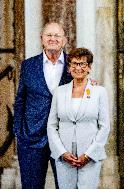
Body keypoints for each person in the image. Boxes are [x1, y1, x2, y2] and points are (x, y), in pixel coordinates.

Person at [13, 22, 72, 188]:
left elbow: (83, 93)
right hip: (31, 138)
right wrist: (19, 131)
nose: (53, 39)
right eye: (49, 35)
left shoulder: (74, 66)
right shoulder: (28, 65)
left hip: (64, 139)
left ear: (65, 40)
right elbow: (20, 100)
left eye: (57, 35)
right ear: (41, 39)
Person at [47, 48, 110, 189]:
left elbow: (104, 126)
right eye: (74, 64)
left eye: (82, 64)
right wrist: (62, 152)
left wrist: (88, 154)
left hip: (90, 154)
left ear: (89, 67)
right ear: (69, 68)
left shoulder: (99, 92)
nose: (78, 68)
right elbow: (52, 125)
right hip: (65, 155)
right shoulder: (59, 92)